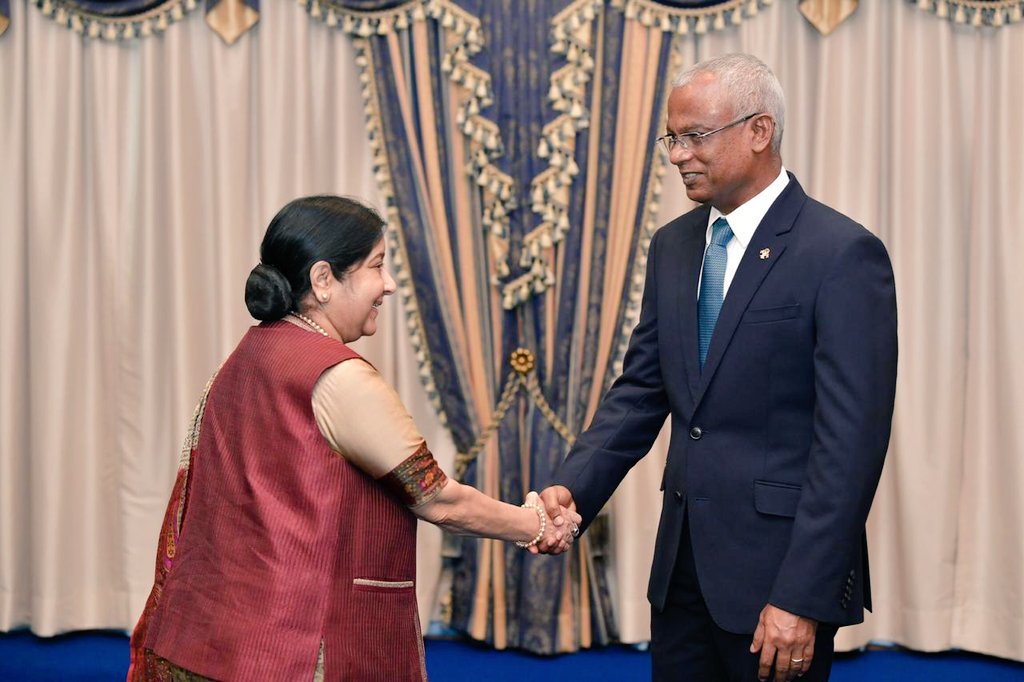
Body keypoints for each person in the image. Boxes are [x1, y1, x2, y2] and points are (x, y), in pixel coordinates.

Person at [537, 54, 898, 682]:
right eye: (671, 139)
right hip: (681, 573)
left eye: (695, 137)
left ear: (759, 132)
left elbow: (851, 447)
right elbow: (642, 392)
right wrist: (575, 486)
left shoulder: (841, 254)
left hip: (779, 583)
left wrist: (801, 597)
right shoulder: (672, 246)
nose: (677, 155)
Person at [127, 195, 580, 681]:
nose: (388, 285)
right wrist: (535, 525)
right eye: (377, 266)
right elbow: (440, 500)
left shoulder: (246, 356)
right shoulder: (336, 377)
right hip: (291, 648)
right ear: (324, 280)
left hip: (206, 636)